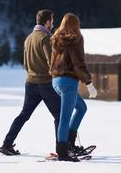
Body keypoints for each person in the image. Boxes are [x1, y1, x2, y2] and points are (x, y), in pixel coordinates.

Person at [0, 9, 60, 155]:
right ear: (46, 22)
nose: (53, 23)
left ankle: (6, 144)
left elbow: (26, 64)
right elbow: (51, 62)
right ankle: (62, 148)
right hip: (45, 83)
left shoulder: (29, 38)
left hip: (30, 83)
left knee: (24, 115)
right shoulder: (45, 38)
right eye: (51, 20)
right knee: (60, 115)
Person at [49, 13, 97, 162]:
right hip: (68, 82)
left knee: (82, 108)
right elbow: (78, 63)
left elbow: (51, 62)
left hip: (56, 81)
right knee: (64, 118)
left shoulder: (57, 39)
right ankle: (63, 152)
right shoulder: (75, 39)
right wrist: (89, 83)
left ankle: (69, 144)